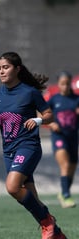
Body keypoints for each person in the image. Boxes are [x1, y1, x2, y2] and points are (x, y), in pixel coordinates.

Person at [0, 52, 68, 239]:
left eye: (5, 67)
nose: (1, 71)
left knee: (12, 187)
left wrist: (39, 120)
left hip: (28, 147)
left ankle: (47, 222)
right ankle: (57, 235)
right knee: (33, 200)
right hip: (9, 151)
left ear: (17, 69)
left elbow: (49, 115)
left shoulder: (29, 92)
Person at [47, 71, 79, 208]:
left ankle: (63, 192)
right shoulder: (54, 99)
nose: (65, 86)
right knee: (65, 165)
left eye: (67, 83)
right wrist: (51, 123)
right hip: (59, 137)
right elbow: (42, 113)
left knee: (72, 166)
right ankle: (66, 196)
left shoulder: (76, 99)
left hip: (73, 137)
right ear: (58, 84)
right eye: (62, 84)